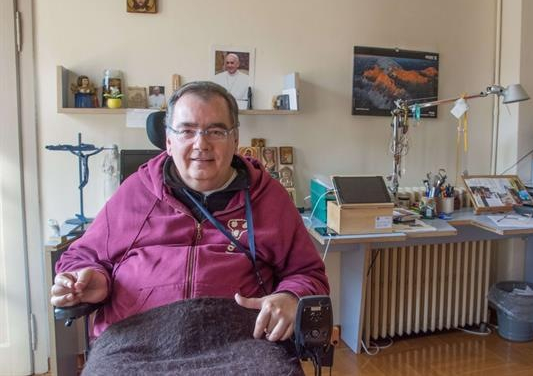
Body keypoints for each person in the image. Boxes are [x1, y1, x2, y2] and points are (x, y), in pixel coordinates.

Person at [50, 81, 329, 342]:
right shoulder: (135, 191)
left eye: (216, 131)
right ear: (169, 141)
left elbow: (308, 274)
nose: (201, 144)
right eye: (186, 131)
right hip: (135, 341)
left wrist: (291, 297)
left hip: (239, 342)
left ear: (235, 140)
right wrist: (91, 278)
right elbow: (81, 256)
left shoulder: (268, 197)